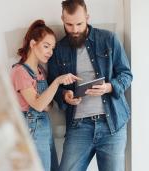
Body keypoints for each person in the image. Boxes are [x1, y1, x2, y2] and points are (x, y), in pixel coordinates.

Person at [47, 0, 133, 170]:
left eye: (79, 23)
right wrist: (65, 95)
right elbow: (53, 85)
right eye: (69, 24)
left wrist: (108, 87)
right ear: (62, 19)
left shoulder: (109, 39)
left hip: (112, 126)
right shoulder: (59, 49)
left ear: (87, 17)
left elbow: (126, 75)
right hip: (79, 127)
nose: (75, 29)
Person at [10, 19, 80, 171]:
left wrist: (47, 98)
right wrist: (57, 82)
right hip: (32, 129)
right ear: (33, 44)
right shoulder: (19, 72)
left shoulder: (41, 72)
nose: (50, 52)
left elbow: (48, 107)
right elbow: (39, 105)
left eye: (52, 48)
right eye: (46, 46)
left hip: (44, 127)